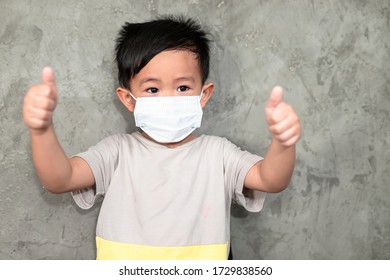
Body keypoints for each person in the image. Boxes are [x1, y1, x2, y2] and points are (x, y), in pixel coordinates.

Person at [23, 16, 301, 260]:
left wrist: (283, 144)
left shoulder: (219, 154)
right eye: (153, 89)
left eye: (182, 87)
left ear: (203, 94)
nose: (169, 98)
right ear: (128, 99)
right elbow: (60, 179)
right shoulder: (117, 152)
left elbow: (270, 179)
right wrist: (42, 130)